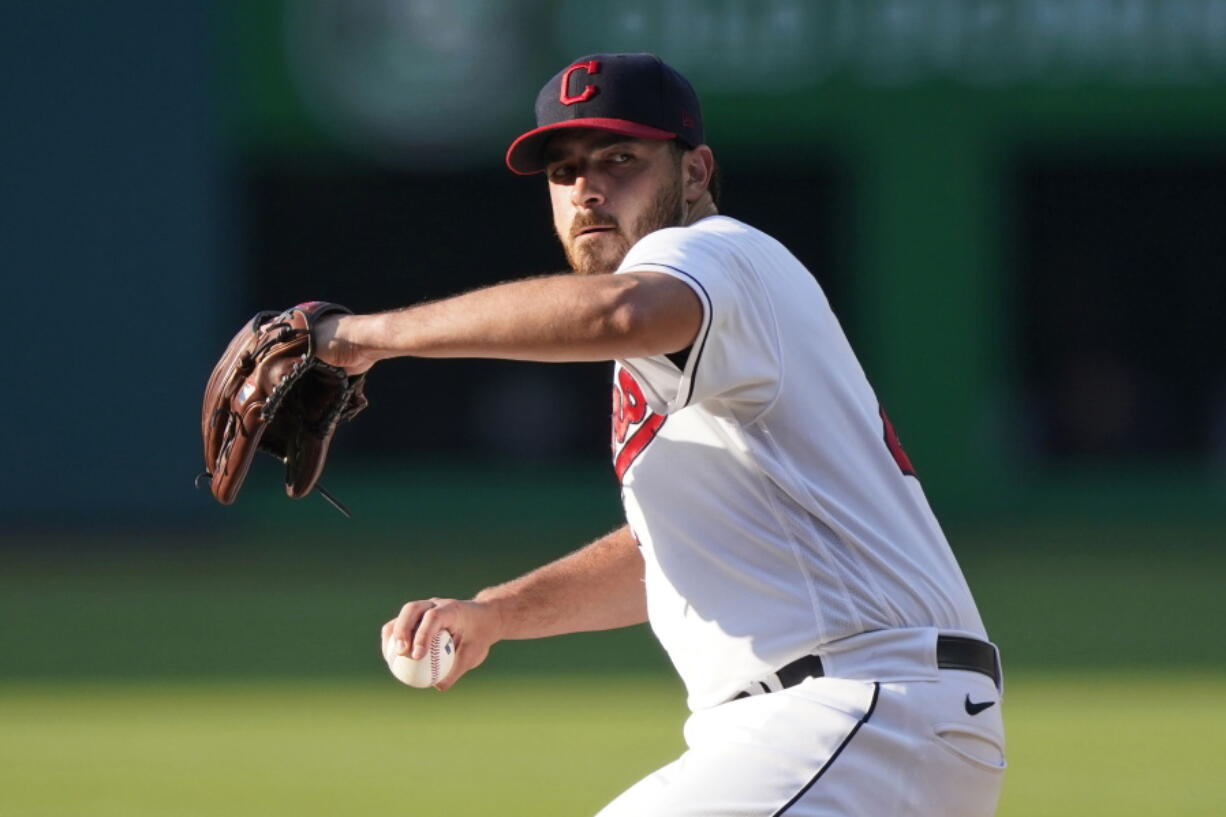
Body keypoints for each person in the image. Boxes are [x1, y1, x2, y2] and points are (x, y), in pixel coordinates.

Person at [316, 53, 1006, 817]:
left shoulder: (711, 253)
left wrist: (362, 335)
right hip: (837, 726)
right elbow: (671, 553)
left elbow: (618, 312)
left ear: (696, 171)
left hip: (855, 711)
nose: (588, 189)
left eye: (621, 159)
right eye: (564, 171)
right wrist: (496, 613)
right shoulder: (689, 340)